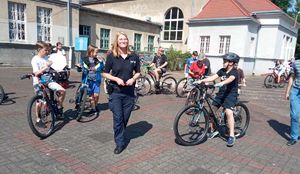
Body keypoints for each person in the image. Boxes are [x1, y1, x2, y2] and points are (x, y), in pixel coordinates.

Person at [102, 32, 141, 154]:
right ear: (117, 42)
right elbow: (105, 73)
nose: (123, 41)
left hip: (129, 93)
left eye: (125, 39)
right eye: (121, 39)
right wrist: (116, 79)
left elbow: (138, 72)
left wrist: (133, 79)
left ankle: (120, 133)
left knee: (124, 118)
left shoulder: (134, 56)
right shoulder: (112, 56)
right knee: (118, 118)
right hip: (116, 92)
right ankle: (120, 143)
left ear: (127, 41)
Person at [194, 52, 240, 147]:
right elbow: (212, 77)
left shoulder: (234, 71)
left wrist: (222, 83)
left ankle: (231, 136)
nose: (223, 63)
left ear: (231, 63)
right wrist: (201, 80)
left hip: (230, 94)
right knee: (211, 112)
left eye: (225, 61)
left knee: (228, 112)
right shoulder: (222, 70)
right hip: (221, 94)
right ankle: (214, 130)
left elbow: (230, 79)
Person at [31, 41, 66, 127]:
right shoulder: (35, 59)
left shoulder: (47, 58)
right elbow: (36, 73)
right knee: (40, 101)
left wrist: (57, 70)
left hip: (49, 81)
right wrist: (46, 66)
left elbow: (49, 69)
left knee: (62, 91)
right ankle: (38, 119)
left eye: (48, 50)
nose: (47, 52)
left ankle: (59, 107)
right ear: (39, 49)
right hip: (39, 82)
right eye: (45, 50)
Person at [77, 45, 104, 114]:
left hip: (96, 79)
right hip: (87, 80)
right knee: (91, 95)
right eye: (96, 52)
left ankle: (95, 105)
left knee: (96, 95)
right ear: (91, 51)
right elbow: (81, 68)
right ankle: (93, 108)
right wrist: (79, 67)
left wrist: (101, 62)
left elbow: (102, 68)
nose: (97, 54)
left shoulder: (98, 60)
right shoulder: (84, 59)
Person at [285, 57, 300, 146]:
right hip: (296, 91)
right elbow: (292, 77)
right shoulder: (296, 63)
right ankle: (294, 136)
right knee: (294, 115)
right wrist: (287, 92)